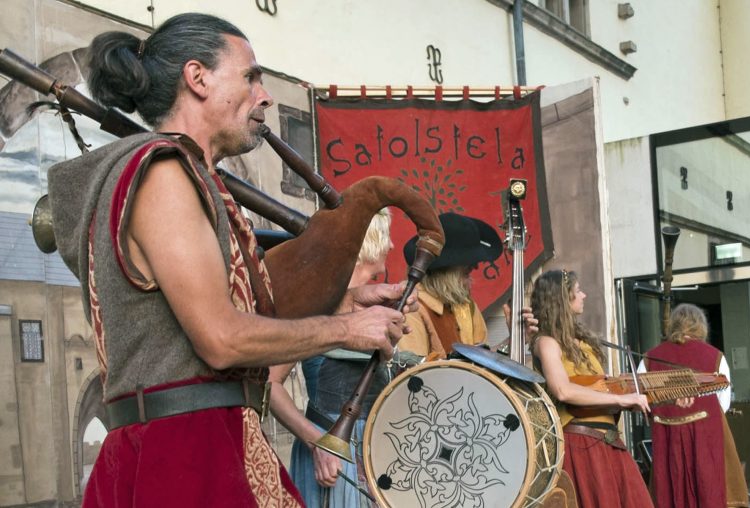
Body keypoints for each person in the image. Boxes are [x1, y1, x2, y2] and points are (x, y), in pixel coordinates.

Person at [47, 14, 415, 507]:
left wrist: (349, 302)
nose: (262, 95)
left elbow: (238, 308)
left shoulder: (187, 175)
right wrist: (346, 330)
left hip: (205, 442)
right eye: (249, 77)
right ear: (197, 78)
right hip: (182, 456)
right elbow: (221, 339)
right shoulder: (163, 175)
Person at [269, 208, 394, 507]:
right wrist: (316, 442)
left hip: (375, 452)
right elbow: (269, 384)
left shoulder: (375, 301)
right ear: (370, 240)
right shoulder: (316, 301)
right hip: (331, 453)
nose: (391, 246)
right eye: (387, 236)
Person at [530, 269, 654, 508]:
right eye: (578, 291)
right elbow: (563, 391)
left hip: (608, 441)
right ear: (563, 299)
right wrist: (621, 400)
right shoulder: (546, 342)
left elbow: (599, 390)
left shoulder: (583, 342)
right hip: (581, 443)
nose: (584, 295)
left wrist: (632, 397)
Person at [640, 303, 749, 508]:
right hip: (706, 438)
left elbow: (642, 402)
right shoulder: (715, 356)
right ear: (700, 326)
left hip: (667, 439)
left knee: (669, 494)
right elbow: (723, 405)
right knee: (709, 489)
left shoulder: (649, 358)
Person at [398, 212, 502, 358]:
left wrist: (514, 337)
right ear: (444, 269)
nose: (476, 267)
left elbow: (483, 362)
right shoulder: (412, 309)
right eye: (467, 265)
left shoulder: (466, 305)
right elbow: (411, 375)